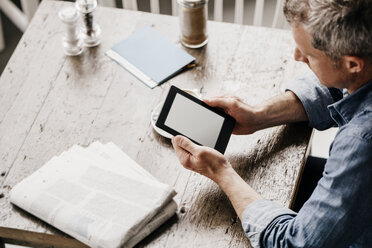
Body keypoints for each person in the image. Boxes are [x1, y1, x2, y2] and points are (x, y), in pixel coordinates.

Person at [171, 0, 372, 247]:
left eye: (308, 55)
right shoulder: (363, 65)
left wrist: (220, 172)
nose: (296, 56)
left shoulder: (361, 143)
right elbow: (341, 88)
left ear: (352, 63)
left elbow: (295, 243)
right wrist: (259, 114)